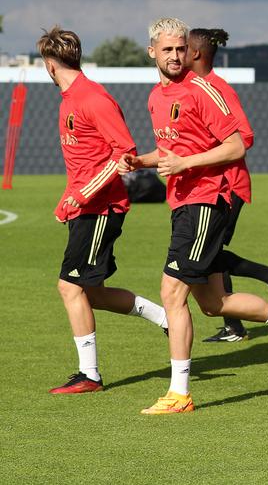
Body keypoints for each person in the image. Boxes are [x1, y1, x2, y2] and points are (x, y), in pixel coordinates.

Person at [123, 17, 268, 414]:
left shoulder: (201, 90)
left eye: (180, 49)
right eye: (167, 49)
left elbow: (236, 145)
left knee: (171, 293)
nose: (175, 56)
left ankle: (179, 393)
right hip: (182, 202)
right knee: (214, 303)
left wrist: (185, 164)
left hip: (206, 200)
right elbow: (172, 151)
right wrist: (140, 161)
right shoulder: (155, 96)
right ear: (152, 52)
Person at [39, 26, 170, 394]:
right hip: (86, 207)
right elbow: (84, 162)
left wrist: (83, 196)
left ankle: (90, 375)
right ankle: (166, 318)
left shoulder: (93, 98)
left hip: (101, 208)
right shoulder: (68, 99)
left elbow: (124, 154)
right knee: (92, 293)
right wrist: (68, 199)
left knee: (69, 286)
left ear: (50, 65)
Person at [187, 28, 268, 343]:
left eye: (183, 48)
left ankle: (243, 316)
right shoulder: (192, 88)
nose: (177, 54)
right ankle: (265, 284)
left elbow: (244, 136)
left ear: (196, 53)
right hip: (207, 187)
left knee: (207, 253)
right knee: (209, 253)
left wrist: (205, 154)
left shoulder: (217, 88)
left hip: (227, 185)